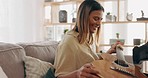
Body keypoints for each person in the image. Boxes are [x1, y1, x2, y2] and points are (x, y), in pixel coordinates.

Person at [54, 0, 120, 78]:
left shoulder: (85, 39)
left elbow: (92, 60)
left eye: (100, 19)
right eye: (96, 19)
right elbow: (59, 76)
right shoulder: (69, 42)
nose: (99, 23)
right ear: (84, 18)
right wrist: (77, 74)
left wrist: (110, 51)